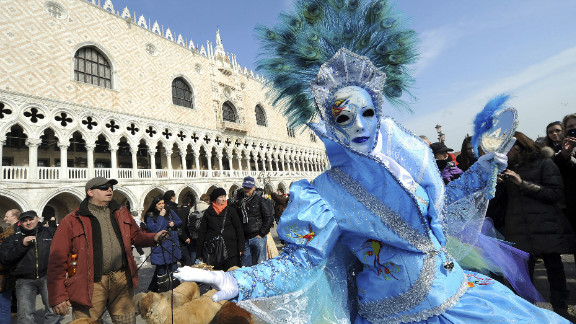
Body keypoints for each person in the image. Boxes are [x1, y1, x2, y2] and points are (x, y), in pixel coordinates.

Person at [173, 1, 570, 323]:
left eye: (366, 114)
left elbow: (439, 219)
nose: (359, 126)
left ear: (379, 113)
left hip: (457, 292)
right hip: (399, 313)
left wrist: (481, 172)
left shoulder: (411, 161)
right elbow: (303, 262)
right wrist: (238, 279)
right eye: (344, 118)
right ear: (332, 125)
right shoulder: (322, 193)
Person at [47, 177, 166, 323]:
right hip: (90, 284)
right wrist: (58, 295)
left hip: (121, 279)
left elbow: (135, 236)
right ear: (90, 192)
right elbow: (57, 260)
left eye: (111, 187)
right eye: (104, 187)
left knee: (126, 321)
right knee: (87, 321)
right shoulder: (72, 220)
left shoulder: (121, 212)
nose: (109, 190)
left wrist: (153, 238)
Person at [499, 131, 575, 316]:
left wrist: (521, 182)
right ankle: (526, 312)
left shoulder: (544, 163)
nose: (505, 153)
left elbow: (555, 194)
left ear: (519, 146)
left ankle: (561, 310)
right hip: (518, 227)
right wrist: (499, 184)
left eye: (508, 148)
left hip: (545, 225)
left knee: (554, 267)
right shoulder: (505, 168)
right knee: (523, 273)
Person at [0, 210, 61, 324]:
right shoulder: (13, 237)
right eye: (25, 221)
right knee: (25, 315)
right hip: (24, 279)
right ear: (20, 222)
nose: (28, 222)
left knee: (53, 310)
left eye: (31, 219)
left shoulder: (51, 233)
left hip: (48, 276)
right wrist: (22, 245)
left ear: (37, 218)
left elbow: (62, 252)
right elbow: (5, 258)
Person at [197, 188, 244, 270]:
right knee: (217, 275)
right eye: (221, 197)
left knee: (232, 273)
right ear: (215, 198)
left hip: (231, 250)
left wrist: (241, 247)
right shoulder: (208, 212)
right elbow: (202, 232)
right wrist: (199, 252)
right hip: (214, 251)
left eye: (224, 196)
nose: (223, 199)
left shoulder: (231, 211)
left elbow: (239, 229)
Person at [230, 176, 274, 266]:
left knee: (260, 263)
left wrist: (261, 233)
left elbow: (269, 217)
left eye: (249, 188)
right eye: (245, 187)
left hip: (258, 237)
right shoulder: (239, 202)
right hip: (245, 238)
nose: (247, 190)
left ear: (253, 187)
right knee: (246, 265)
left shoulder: (260, 200)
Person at [144, 195, 182, 292]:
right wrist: (161, 216)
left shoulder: (169, 211)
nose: (162, 206)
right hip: (160, 247)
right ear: (155, 205)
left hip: (172, 245)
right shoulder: (150, 215)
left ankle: (175, 292)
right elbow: (154, 230)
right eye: (159, 204)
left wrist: (174, 223)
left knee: (174, 270)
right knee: (162, 272)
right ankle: (163, 293)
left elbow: (179, 221)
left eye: (163, 203)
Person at [0, 209, 20, 324]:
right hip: (7, 278)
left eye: (6, 216)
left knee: (4, 308)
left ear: (14, 217)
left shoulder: (15, 233)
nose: (4, 218)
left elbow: (7, 260)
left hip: (6, 278)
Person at [177, 196, 196, 266]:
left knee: (184, 252)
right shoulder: (190, 211)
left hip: (181, 235)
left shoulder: (179, 211)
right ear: (189, 203)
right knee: (191, 251)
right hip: (189, 234)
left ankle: (184, 265)